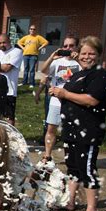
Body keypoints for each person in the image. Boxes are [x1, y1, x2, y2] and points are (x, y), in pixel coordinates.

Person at [49, 36, 106, 211]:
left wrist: (65, 93)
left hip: (88, 130)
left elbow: (92, 100)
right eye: (84, 53)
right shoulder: (78, 74)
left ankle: (91, 209)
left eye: (91, 53)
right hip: (71, 129)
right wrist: (59, 95)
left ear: (98, 56)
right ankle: (70, 201)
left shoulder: (100, 76)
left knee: (87, 169)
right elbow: (71, 97)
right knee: (73, 166)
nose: (87, 56)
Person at [37, 34, 81, 163]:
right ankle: (47, 155)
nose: (68, 48)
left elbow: (89, 74)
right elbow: (43, 70)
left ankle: (70, 157)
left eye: (71, 46)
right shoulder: (57, 62)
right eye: (66, 46)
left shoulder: (79, 62)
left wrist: (78, 60)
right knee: (51, 129)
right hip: (56, 101)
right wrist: (52, 56)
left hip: (73, 101)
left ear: (77, 47)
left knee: (70, 131)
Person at [0, 34, 23, 126]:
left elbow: (7, 68)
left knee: (9, 117)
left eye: (4, 42)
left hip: (9, 91)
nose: (2, 44)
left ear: (9, 42)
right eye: (0, 43)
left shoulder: (16, 52)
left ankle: (10, 136)